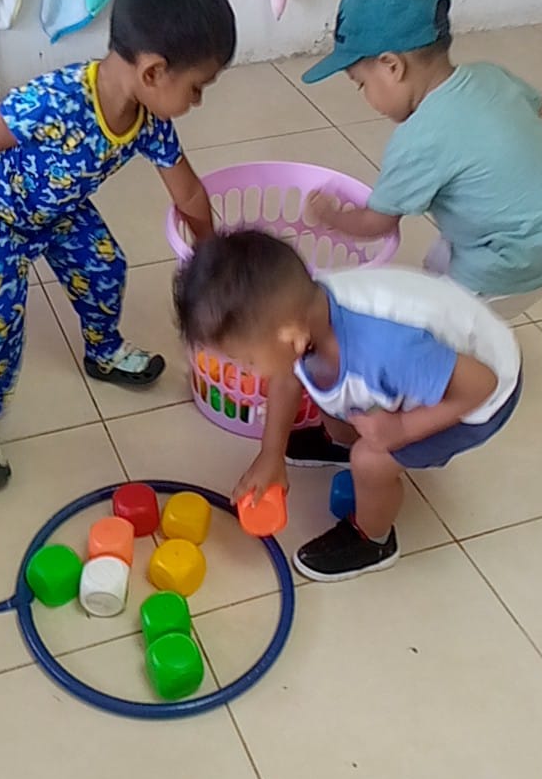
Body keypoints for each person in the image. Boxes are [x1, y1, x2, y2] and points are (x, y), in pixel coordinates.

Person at [0, 0, 236, 493]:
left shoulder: (150, 121)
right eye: (197, 87)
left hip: (60, 211)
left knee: (107, 267)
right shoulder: (54, 100)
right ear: (153, 72)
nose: (197, 100)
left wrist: (212, 254)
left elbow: (189, 192)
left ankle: (103, 351)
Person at [289, 0, 542, 468]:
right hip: (539, 237)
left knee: (435, 319)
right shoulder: (489, 76)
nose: (366, 98)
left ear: (392, 66)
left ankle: (414, 424)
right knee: (433, 268)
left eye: (360, 83)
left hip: (508, 258)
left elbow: (378, 224)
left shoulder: (420, 138)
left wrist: (330, 215)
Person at [174, 230, 522, 582]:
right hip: (424, 369)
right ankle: (339, 442)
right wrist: (271, 454)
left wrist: (401, 429)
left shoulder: (384, 349)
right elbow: (287, 376)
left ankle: (373, 540)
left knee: (370, 460)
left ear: (291, 337)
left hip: (477, 396)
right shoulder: (302, 313)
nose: (245, 371)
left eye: (247, 361)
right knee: (329, 387)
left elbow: (481, 385)